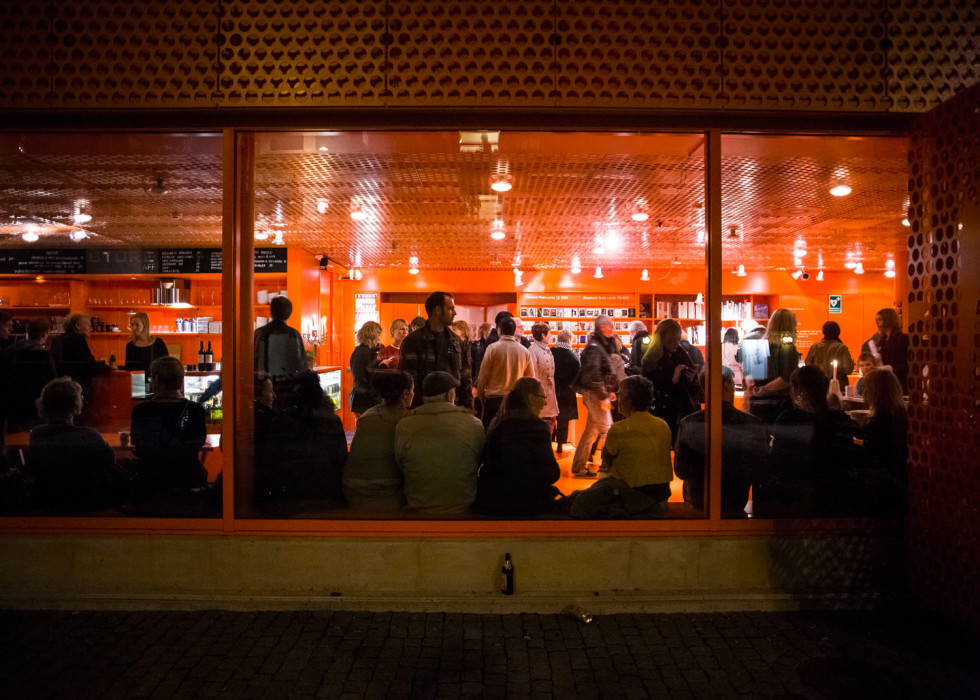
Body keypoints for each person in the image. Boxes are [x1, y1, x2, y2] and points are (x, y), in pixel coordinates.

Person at [755, 366, 859, 518]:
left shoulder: (788, 419)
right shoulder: (842, 420)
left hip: (795, 496)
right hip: (835, 497)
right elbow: (848, 458)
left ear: (796, 390)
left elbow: (777, 461)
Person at [673, 373, 769, 517]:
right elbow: (760, 469)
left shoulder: (689, 423)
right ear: (728, 388)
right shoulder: (752, 423)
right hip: (735, 501)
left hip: (699, 500)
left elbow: (681, 470)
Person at [394, 371, 485, 515]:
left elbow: (400, 462)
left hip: (418, 511)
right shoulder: (474, 424)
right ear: (450, 395)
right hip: (462, 510)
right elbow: (478, 461)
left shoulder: (405, 425)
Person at [26, 377, 120, 512]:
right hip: (88, 502)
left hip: (51, 501)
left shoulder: (37, 434)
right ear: (76, 404)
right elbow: (109, 459)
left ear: (44, 404)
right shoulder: (90, 435)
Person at [474, 377, 561, 517]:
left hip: (494, 500)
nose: (545, 402)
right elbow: (551, 473)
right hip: (528, 503)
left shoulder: (496, 422)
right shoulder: (537, 427)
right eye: (543, 397)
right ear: (531, 398)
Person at [129, 356, 208, 502]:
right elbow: (198, 443)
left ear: (157, 380)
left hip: (150, 481)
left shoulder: (141, 410)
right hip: (187, 478)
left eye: (152, 377)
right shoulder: (195, 410)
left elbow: (138, 443)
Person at [268, 370, 348, 506]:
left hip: (292, 493)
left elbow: (274, 457)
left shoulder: (283, 420)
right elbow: (341, 457)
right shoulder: (331, 421)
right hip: (325, 492)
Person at [343, 371, 414, 513]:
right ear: (405, 393)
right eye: (413, 390)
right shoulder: (406, 421)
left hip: (352, 490)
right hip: (386, 493)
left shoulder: (367, 416)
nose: (414, 394)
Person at [600, 376, 674, 504]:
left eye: (620, 394)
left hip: (631, 496)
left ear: (628, 401)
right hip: (661, 494)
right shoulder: (663, 425)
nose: (617, 399)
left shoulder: (619, 429)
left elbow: (606, 460)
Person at [399, 291, 470, 409]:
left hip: (452, 409)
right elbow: (407, 379)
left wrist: (468, 409)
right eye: (451, 309)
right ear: (438, 310)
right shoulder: (413, 341)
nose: (455, 313)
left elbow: (466, 377)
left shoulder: (456, 341)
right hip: (422, 411)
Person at [570, 315, 619, 478]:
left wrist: (609, 391)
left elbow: (599, 373)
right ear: (602, 327)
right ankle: (608, 468)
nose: (613, 329)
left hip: (595, 392)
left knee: (592, 431)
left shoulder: (598, 345)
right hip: (595, 393)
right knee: (607, 429)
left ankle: (578, 466)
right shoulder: (595, 347)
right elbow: (593, 375)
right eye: (610, 326)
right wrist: (604, 394)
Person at [641, 318, 702, 442]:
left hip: (681, 411)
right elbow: (649, 389)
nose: (676, 343)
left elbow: (694, 388)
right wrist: (673, 379)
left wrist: (691, 379)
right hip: (662, 412)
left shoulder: (681, 353)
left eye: (678, 340)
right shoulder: (652, 359)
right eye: (672, 340)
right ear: (663, 339)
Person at [476, 315, 534, 429]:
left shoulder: (493, 348)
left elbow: (483, 375)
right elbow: (530, 378)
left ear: (499, 330)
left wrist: (481, 393)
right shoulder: (524, 351)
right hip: (516, 401)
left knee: (493, 435)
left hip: (494, 400)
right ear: (513, 331)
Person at [746, 309, 800, 425]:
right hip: (780, 404)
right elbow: (786, 378)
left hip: (758, 404)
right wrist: (766, 389)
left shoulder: (758, 346)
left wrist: (758, 389)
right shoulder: (788, 349)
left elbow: (751, 377)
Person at [4, 318, 57, 433]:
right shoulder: (44, 355)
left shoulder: (9, 351)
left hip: (12, 401)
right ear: (45, 333)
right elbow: (51, 381)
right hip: (36, 401)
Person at [859, 368, 909, 487]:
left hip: (881, 484)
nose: (863, 392)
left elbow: (869, 458)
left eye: (866, 388)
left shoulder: (878, 423)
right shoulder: (900, 417)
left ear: (875, 392)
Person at [253, 295, 306, 391]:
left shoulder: (260, 333)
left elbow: (253, 362)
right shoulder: (294, 335)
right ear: (289, 313)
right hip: (288, 391)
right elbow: (301, 366)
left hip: (263, 390)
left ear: (271, 311)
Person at [861, 307, 910, 393]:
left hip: (898, 383)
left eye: (880, 319)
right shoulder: (883, 340)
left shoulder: (901, 338)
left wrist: (886, 368)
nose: (877, 322)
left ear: (888, 320)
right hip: (886, 383)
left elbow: (905, 365)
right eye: (876, 320)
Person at [551, 328, 580, 456]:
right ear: (569, 340)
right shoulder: (572, 356)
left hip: (552, 389)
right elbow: (578, 375)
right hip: (567, 392)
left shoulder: (551, 352)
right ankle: (560, 444)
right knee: (563, 418)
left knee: (550, 416)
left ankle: (549, 440)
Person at [526, 323, 559, 434]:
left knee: (552, 420)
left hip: (550, 389)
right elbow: (533, 373)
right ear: (543, 335)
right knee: (542, 421)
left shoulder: (547, 349)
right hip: (541, 390)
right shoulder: (533, 350)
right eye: (549, 333)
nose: (551, 335)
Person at [805, 321, 855, 387]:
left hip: (818, 385)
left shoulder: (815, 347)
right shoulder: (842, 348)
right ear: (838, 332)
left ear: (823, 332)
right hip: (838, 385)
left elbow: (808, 366)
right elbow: (848, 369)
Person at [349, 320, 382, 416]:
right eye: (378, 335)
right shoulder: (367, 352)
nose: (379, 338)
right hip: (366, 400)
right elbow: (371, 377)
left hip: (358, 397)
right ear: (373, 335)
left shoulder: (358, 350)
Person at [450, 319, 476, 409]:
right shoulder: (457, 344)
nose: (452, 332)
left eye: (454, 329)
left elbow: (476, 366)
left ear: (462, 330)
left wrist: (474, 384)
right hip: (460, 381)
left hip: (465, 382)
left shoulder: (472, 346)